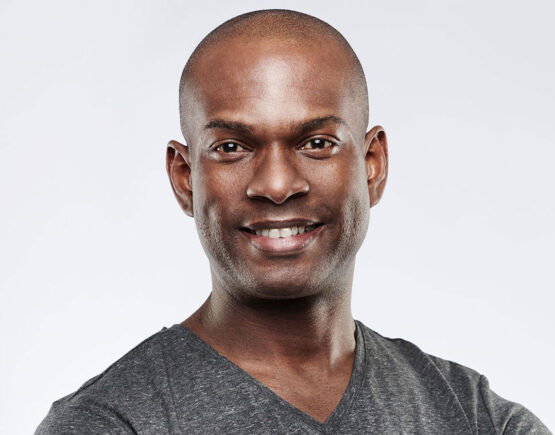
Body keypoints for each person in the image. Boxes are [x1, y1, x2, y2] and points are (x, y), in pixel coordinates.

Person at [36, 9, 550, 434]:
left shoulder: (478, 418)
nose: (277, 185)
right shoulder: (110, 422)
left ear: (372, 165)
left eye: (317, 143)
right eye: (231, 147)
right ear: (185, 178)